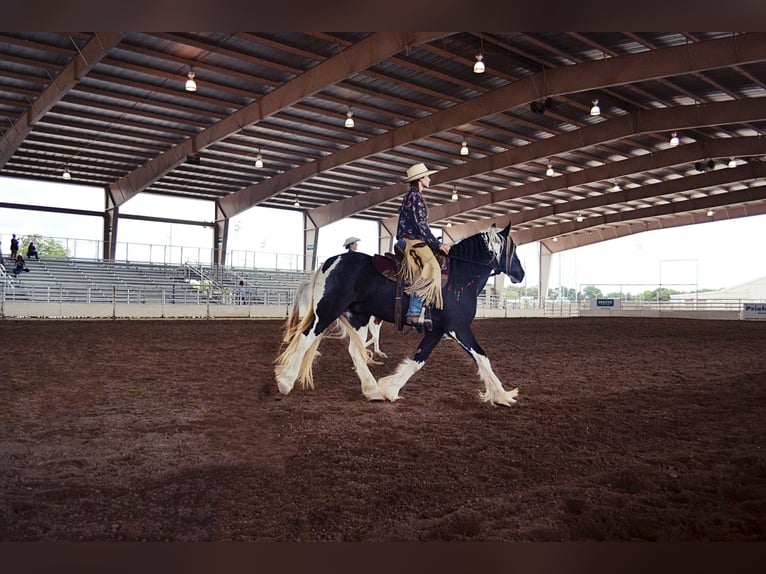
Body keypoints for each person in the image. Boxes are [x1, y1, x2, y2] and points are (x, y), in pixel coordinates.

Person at [396, 162, 451, 331]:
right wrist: (438, 244)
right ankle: (413, 313)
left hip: (411, 239)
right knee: (432, 266)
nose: (429, 178)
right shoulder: (415, 197)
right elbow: (421, 226)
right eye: (427, 176)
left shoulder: (413, 196)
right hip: (411, 240)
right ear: (420, 179)